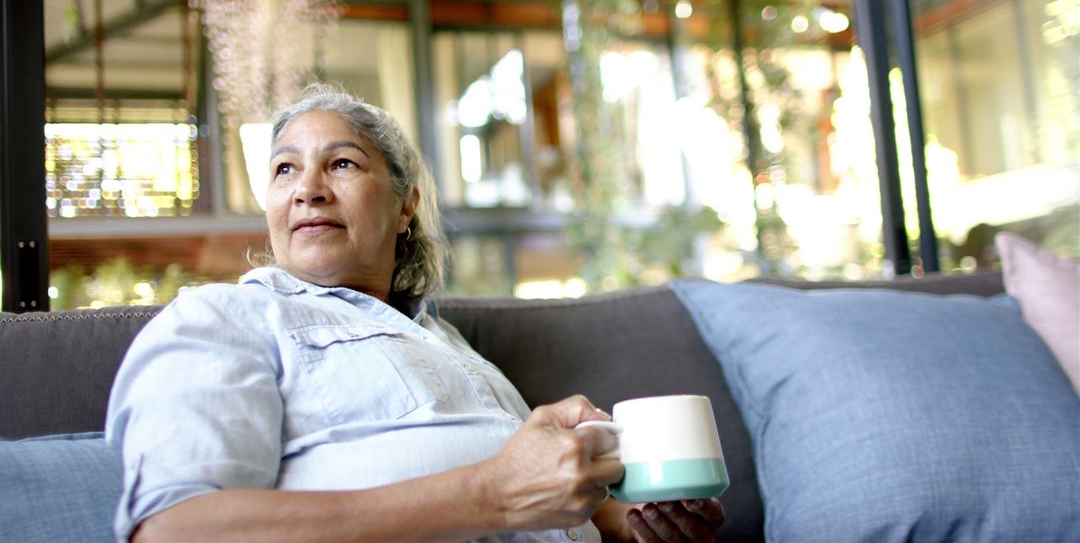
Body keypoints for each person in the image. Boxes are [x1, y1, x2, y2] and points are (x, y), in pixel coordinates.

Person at [105, 84, 726, 543]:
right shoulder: (224, 317)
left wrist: (632, 526)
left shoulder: (444, 340)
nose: (307, 188)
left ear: (407, 205)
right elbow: (175, 531)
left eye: (341, 163)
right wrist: (494, 494)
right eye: (285, 168)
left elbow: (550, 509)